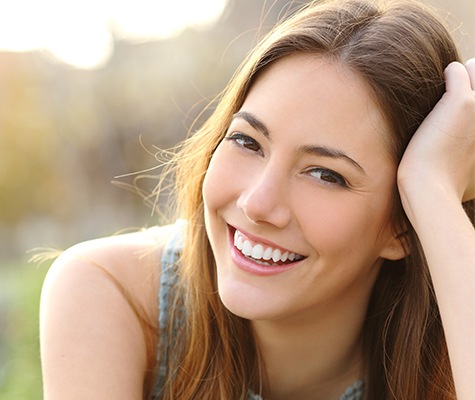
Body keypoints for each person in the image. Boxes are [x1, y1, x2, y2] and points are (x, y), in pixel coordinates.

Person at [39, 0, 475, 399]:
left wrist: (435, 193)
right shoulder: (113, 295)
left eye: (325, 174)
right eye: (247, 142)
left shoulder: (453, 341)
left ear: (403, 225)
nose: (258, 203)